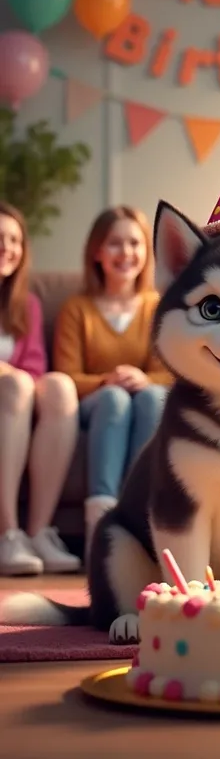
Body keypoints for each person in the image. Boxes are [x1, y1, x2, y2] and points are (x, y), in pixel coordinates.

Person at [53, 205, 173, 549]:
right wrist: (107, 380)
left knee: (152, 397)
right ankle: (99, 527)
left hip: (147, 398)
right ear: (97, 252)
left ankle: (139, 513)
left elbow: (170, 372)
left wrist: (145, 379)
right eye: (115, 243)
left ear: (147, 251)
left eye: (135, 243)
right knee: (114, 398)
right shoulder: (78, 308)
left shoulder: (158, 306)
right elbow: (66, 376)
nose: (126, 253)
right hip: (96, 404)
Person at [0, 202, 80, 576]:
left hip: (17, 398)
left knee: (61, 386)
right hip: (12, 392)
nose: (6, 246)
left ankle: (38, 533)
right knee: (16, 383)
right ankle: (7, 533)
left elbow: (34, 366)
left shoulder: (26, 304)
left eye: (14, 239)